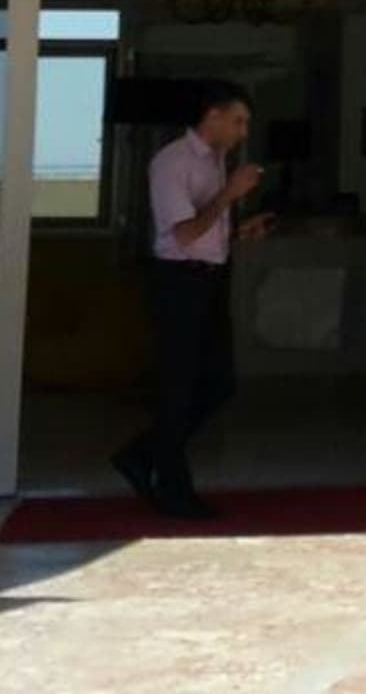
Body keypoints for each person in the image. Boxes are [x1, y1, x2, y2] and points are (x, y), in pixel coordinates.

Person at [113, 82, 277, 518]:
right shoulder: (172, 162)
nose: (243, 132)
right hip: (178, 281)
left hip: (209, 278)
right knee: (179, 386)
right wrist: (230, 195)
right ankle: (173, 488)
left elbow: (205, 228)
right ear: (213, 116)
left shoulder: (216, 161)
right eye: (238, 121)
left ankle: (142, 455)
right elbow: (183, 234)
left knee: (218, 383)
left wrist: (238, 231)